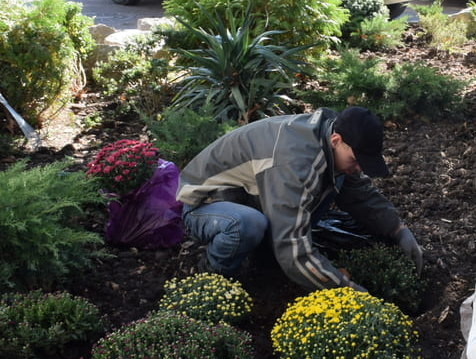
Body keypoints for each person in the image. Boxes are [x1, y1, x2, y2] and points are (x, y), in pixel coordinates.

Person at [176, 107, 424, 291]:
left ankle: (265, 257)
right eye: (356, 160)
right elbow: (292, 247)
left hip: (249, 196)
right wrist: (345, 290)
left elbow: (360, 194)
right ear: (336, 141)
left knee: (339, 178)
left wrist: (397, 229)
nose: (359, 167)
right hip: (208, 205)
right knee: (246, 225)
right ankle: (209, 278)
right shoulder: (295, 163)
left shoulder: (328, 137)